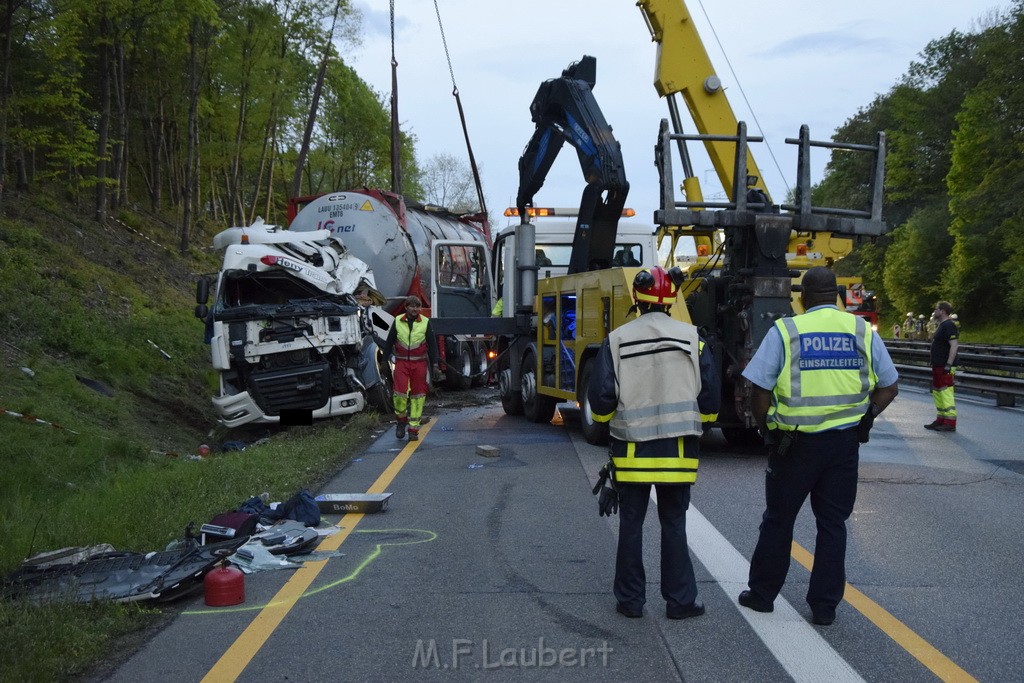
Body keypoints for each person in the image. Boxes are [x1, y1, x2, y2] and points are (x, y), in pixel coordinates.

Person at [738, 266, 899, 626]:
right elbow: (889, 386)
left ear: (803, 298)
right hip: (843, 446)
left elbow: (759, 389)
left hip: (794, 444)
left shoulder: (787, 330)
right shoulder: (861, 330)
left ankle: (763, 596)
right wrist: (866, 418)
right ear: (837, 296)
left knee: (779, 520)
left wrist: (767, 429)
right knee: (832, 524)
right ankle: (825, 607)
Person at [588, 266, 721, 620]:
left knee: (631, 525)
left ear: (638, 297)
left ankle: (630, 602)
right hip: (679, 454)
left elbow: (601, 403)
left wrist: (608, 427)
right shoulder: (694, 338)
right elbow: (709, 401)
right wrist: (700, 427)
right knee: (674, 523)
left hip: (631, 452)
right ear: (673, 297)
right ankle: (680, 602)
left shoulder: (616, 339)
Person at [379, 296, 443, 441]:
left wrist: (435, 365)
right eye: (412, 306)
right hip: (401, 363)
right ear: (406, 307)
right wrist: (384, 361)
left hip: (419, 364)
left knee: (418, 396)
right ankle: (401, 421)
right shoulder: (398, 321)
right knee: (399, 395)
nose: (415, 309)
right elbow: (389, 342)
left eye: (417, 306)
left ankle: (413, 429)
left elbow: (433, 346)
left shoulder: (425, 323)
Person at [925, 301, 959, 432]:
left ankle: (950, 422)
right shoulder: (942, 325)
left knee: (946, 392)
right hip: (938, 364)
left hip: (945, 365)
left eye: (936, 309)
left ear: (943, 311)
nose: (935, 311)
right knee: (938, 391)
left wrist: (949, 364)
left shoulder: (949, 325)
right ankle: (941, 419)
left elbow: (954, 345)